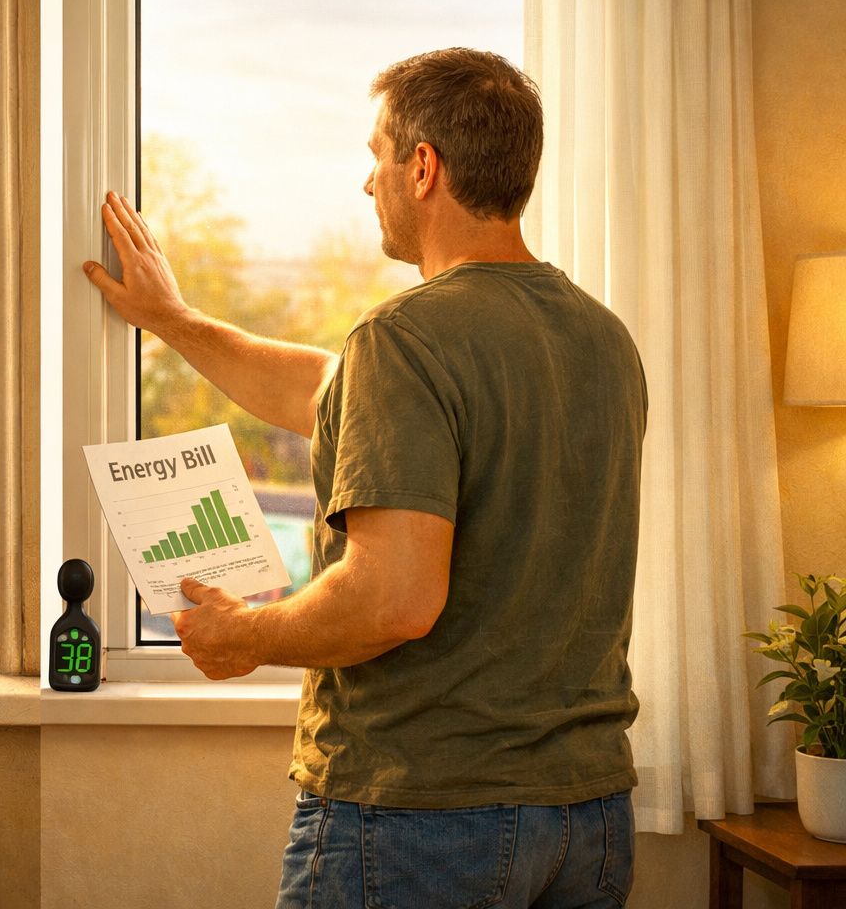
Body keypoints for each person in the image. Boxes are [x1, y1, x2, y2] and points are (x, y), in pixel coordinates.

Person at [82, 48, 646, 909]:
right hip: (587, 819)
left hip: (423, 815)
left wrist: (247, 635)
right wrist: (175, 321)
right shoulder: (601, 340)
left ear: (423, 167)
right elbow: (328, 393)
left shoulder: (407, 336)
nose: (367, 182)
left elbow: (394, 599)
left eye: (376, 154)